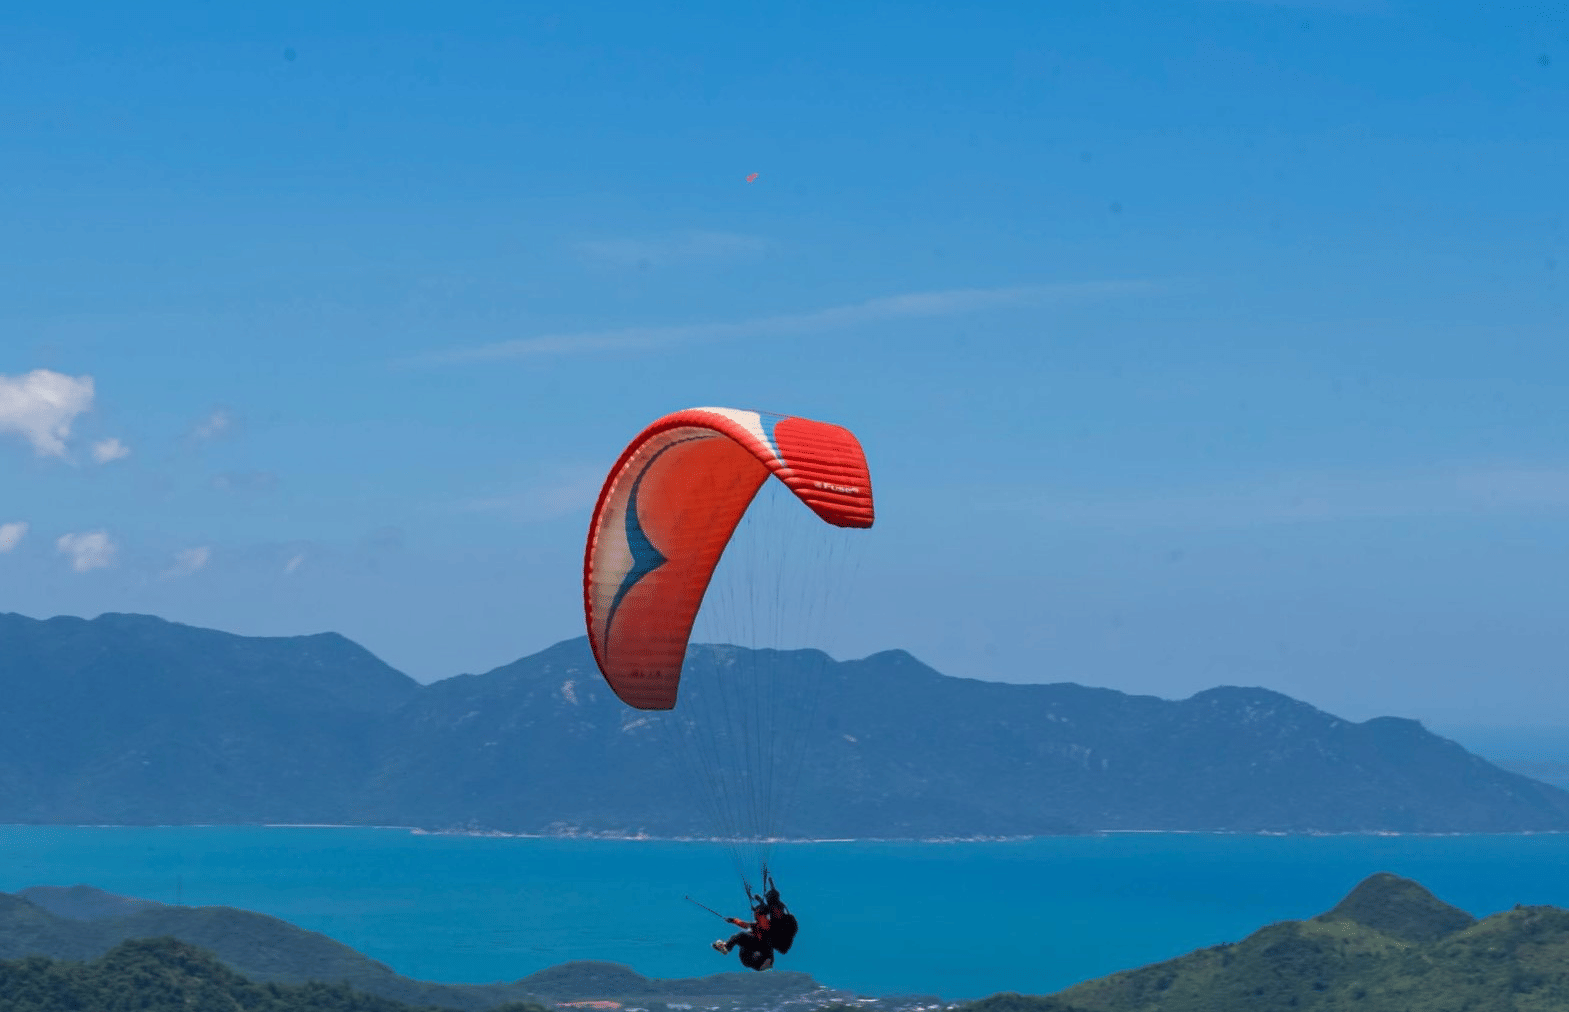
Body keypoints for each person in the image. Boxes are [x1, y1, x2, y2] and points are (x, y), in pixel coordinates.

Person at [711, 901, 774, 971]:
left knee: (741, 936)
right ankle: (725, 947)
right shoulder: (756, 926)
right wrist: (732, 920)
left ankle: (726, 946)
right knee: (739, 939)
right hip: (752, 956)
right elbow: (744, 924)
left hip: (761, 952)